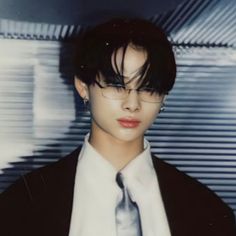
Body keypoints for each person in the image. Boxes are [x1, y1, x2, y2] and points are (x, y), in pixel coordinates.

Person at [0, 18, 235, 236]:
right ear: (83, 86)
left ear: (163, 96)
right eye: (116, 85)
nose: (132, 104)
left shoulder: (207, 209)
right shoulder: (22, 203)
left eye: (148, 88)